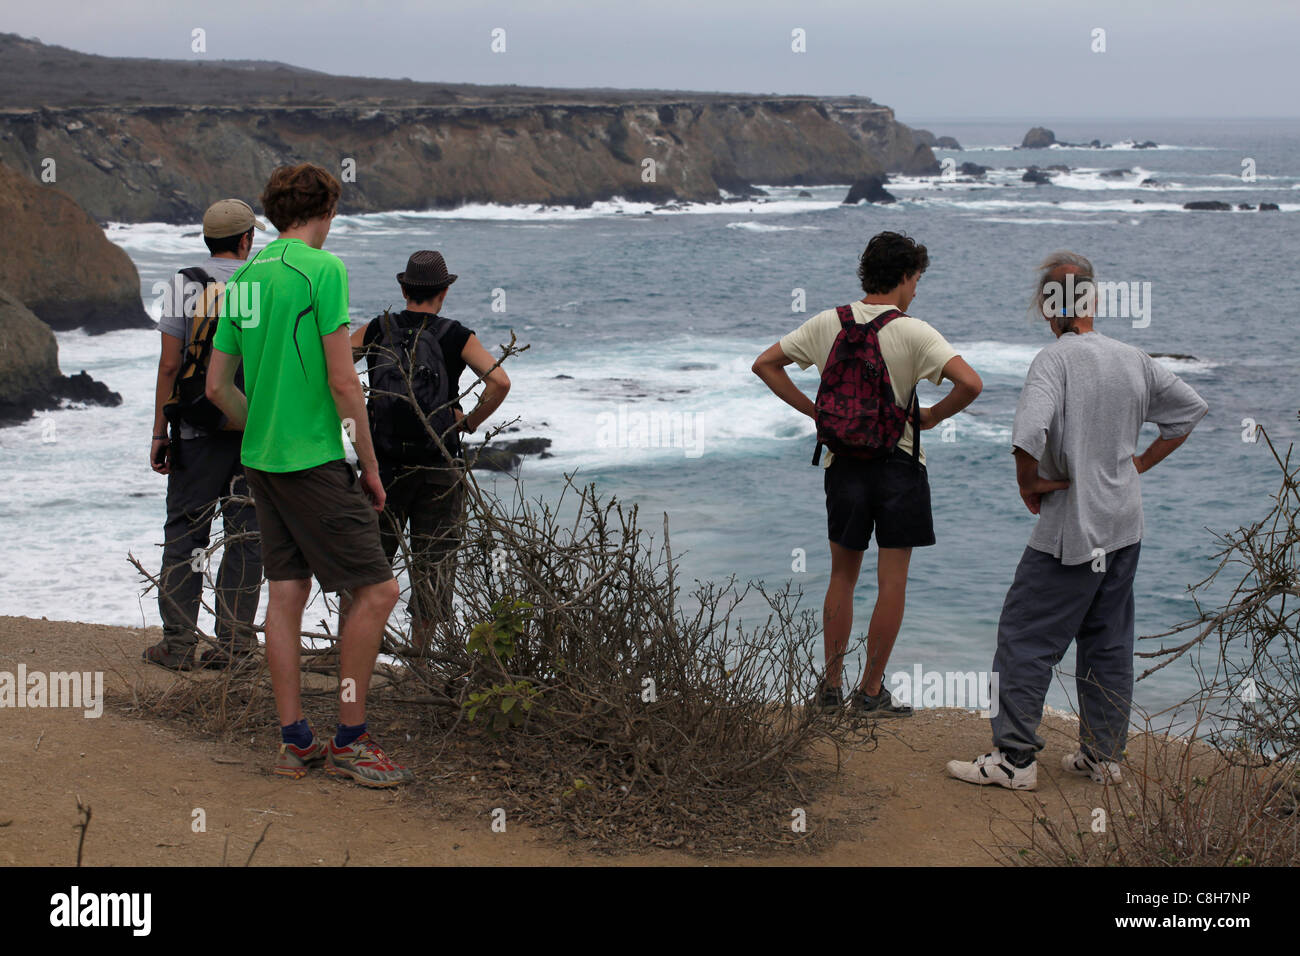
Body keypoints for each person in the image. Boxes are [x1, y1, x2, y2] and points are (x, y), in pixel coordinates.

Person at [947, 251, 1208, 791]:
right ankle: (1102, 758)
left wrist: (1029, 482)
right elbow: (1188, 411)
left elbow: (1027, 432)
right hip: (1124, 524)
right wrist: (1138, 464)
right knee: (1108, 640)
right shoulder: (1133, 357)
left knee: (1024, 636)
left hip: (1074, 528)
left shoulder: (1053, 360)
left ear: (1050, 308)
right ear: (1093, 301)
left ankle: (1015, 760)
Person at [206, 163, 410, 788]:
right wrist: (369, 466)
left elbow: (217, 387)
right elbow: (344, 380)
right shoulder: (323, 270)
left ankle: (297, 741)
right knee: (377, 592)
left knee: (288, 595)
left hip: (261, 460)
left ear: (269, 213)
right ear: (328, 209)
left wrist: (262, 424)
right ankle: (351, 739)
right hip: (313, 460)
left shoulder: (243, 276)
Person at [753, 231, 983, 717]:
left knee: (842, 576)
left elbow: (766, 365)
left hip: (843, 468)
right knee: (891, 581)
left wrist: (816, 413)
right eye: (916, 279)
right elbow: (971, 383)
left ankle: (830, 690)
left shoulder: (826, 323)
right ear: (903, 277)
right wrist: (935, 416)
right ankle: (871, 691)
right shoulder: (915, 332)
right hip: (899, 468)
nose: (917, 290)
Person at [350, 250, 511, 655]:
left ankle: (353, 650)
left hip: (382, 466)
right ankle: (420, 658)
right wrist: (467, 422)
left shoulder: (376, 329)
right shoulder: (456, 335)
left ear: (403, 288)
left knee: (369, 561)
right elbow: (500, 384)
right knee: (434, 564)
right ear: (444, 291)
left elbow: (332, 366)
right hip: (439, 466)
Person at [144, 199, 265, 671]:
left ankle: (177, 645)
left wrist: (160, 432)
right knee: (246, 536)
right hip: (253, 428)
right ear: (246, 239)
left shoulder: (186, 284)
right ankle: (235, 646)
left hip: (195, 429)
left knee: (186, 535)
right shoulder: (263, 283)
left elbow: (170, 364)